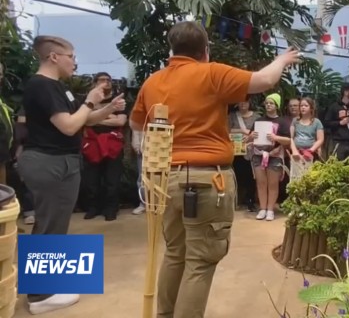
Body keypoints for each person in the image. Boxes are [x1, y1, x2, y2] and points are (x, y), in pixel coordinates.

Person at [129, 21, 300, 318]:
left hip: (166, 180)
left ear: (173, 49)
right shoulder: (211, 72)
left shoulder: (152, 82)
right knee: (200, 261)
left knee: (174, 254)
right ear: (205, 50)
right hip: (207, 179)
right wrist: (282, 59)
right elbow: (263, 80)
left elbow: (135, 123)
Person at [18, 35, 126, 315]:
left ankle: (47, 286)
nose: (75, 62)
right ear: (53, 57)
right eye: (71, 56)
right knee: (49, 225)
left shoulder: (57, 88)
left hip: (59, 162)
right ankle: (40, 296)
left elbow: (83, 120)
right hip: (49, 163)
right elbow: (68, 126)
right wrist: (89, 102)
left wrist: (106, 109)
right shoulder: (41, 86)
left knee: (53, 224)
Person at [81, 72, 127, 221]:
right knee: (91, 180)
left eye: (109, 80)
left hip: (113, 144)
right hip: (91, 144)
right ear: (95, 83)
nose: (106, 82)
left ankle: (111, 209)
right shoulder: (88, 101)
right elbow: (84, 120)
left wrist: (95, 119)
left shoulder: (118, 102)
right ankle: (93, 208)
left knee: (112, 179)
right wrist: (108, 116)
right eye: (102, 80)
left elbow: (120, 122)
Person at [249, 93, 291, 221]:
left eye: (271, 103)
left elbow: (288, 140)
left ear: (277, 105)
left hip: (275, 155)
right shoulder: (259, 121)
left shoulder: (283, 122)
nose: (268, 105)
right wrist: (252, 136)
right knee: (261, 183)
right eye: (267, 103)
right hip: (259, 155)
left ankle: (271, 209)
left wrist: (276, 138)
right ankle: (262, 208)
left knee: (273, 184)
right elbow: (249, 138)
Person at [228, 98, 260, 212]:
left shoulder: (256, 117)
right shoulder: (231, 116)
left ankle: (250, 200)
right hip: (236, 150)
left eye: (245, 102)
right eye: (240, 102)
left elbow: (259, 133)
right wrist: (242, 131)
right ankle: (235, 200)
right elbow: (227, 130)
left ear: (249, 103)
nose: (243, 104)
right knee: (236, 175)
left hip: (251, 150)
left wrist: (250, 135)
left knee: (251, 177)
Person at [324, 83, 349, 160]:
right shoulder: (334, 107)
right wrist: (339, 123)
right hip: (338, 142)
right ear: (346, 92)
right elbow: (326, 123)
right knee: (337, 167)